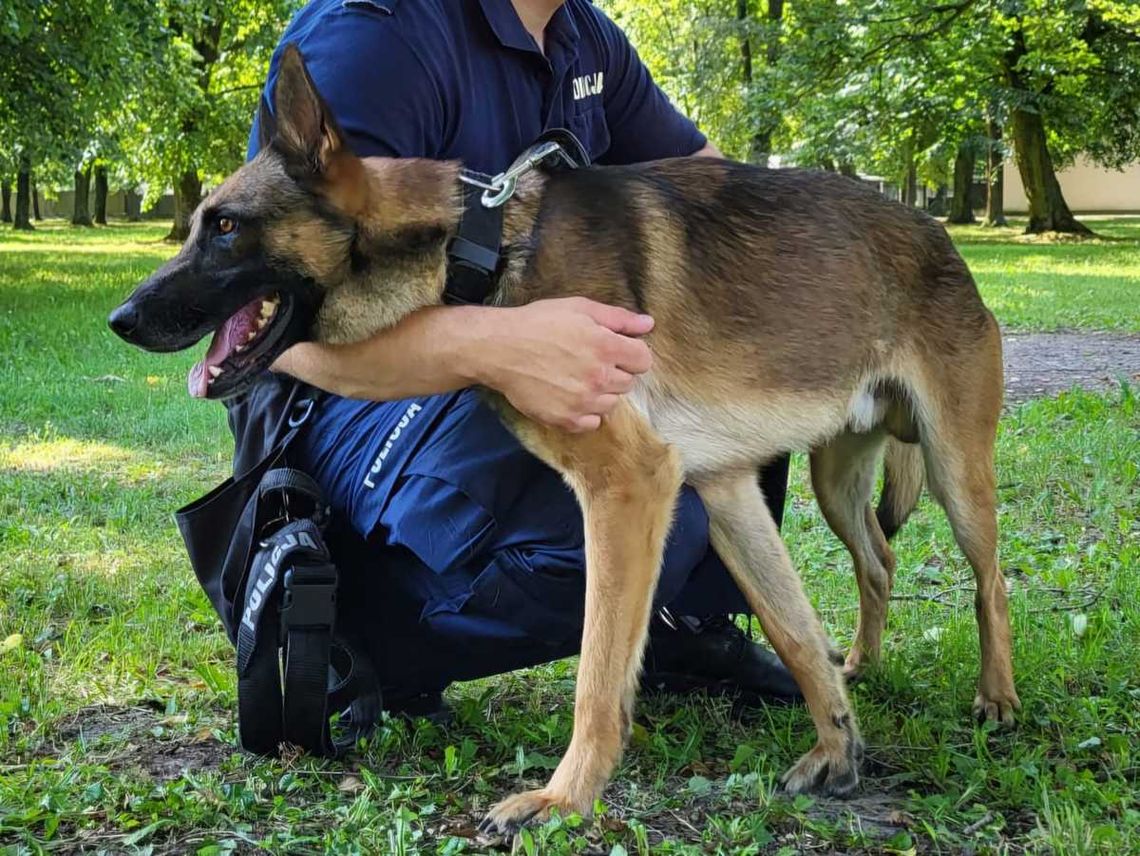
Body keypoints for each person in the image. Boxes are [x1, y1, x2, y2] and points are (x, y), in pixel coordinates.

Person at [233, 0, 798, 717]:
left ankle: (679, 625)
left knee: (739, 365)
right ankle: (353, 633)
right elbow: (283, 325)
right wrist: (504, 346)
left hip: (490, 359)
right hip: (340, 407)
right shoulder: (377, 37)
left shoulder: (581, 36)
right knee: (649, 513)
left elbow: (719, 195)